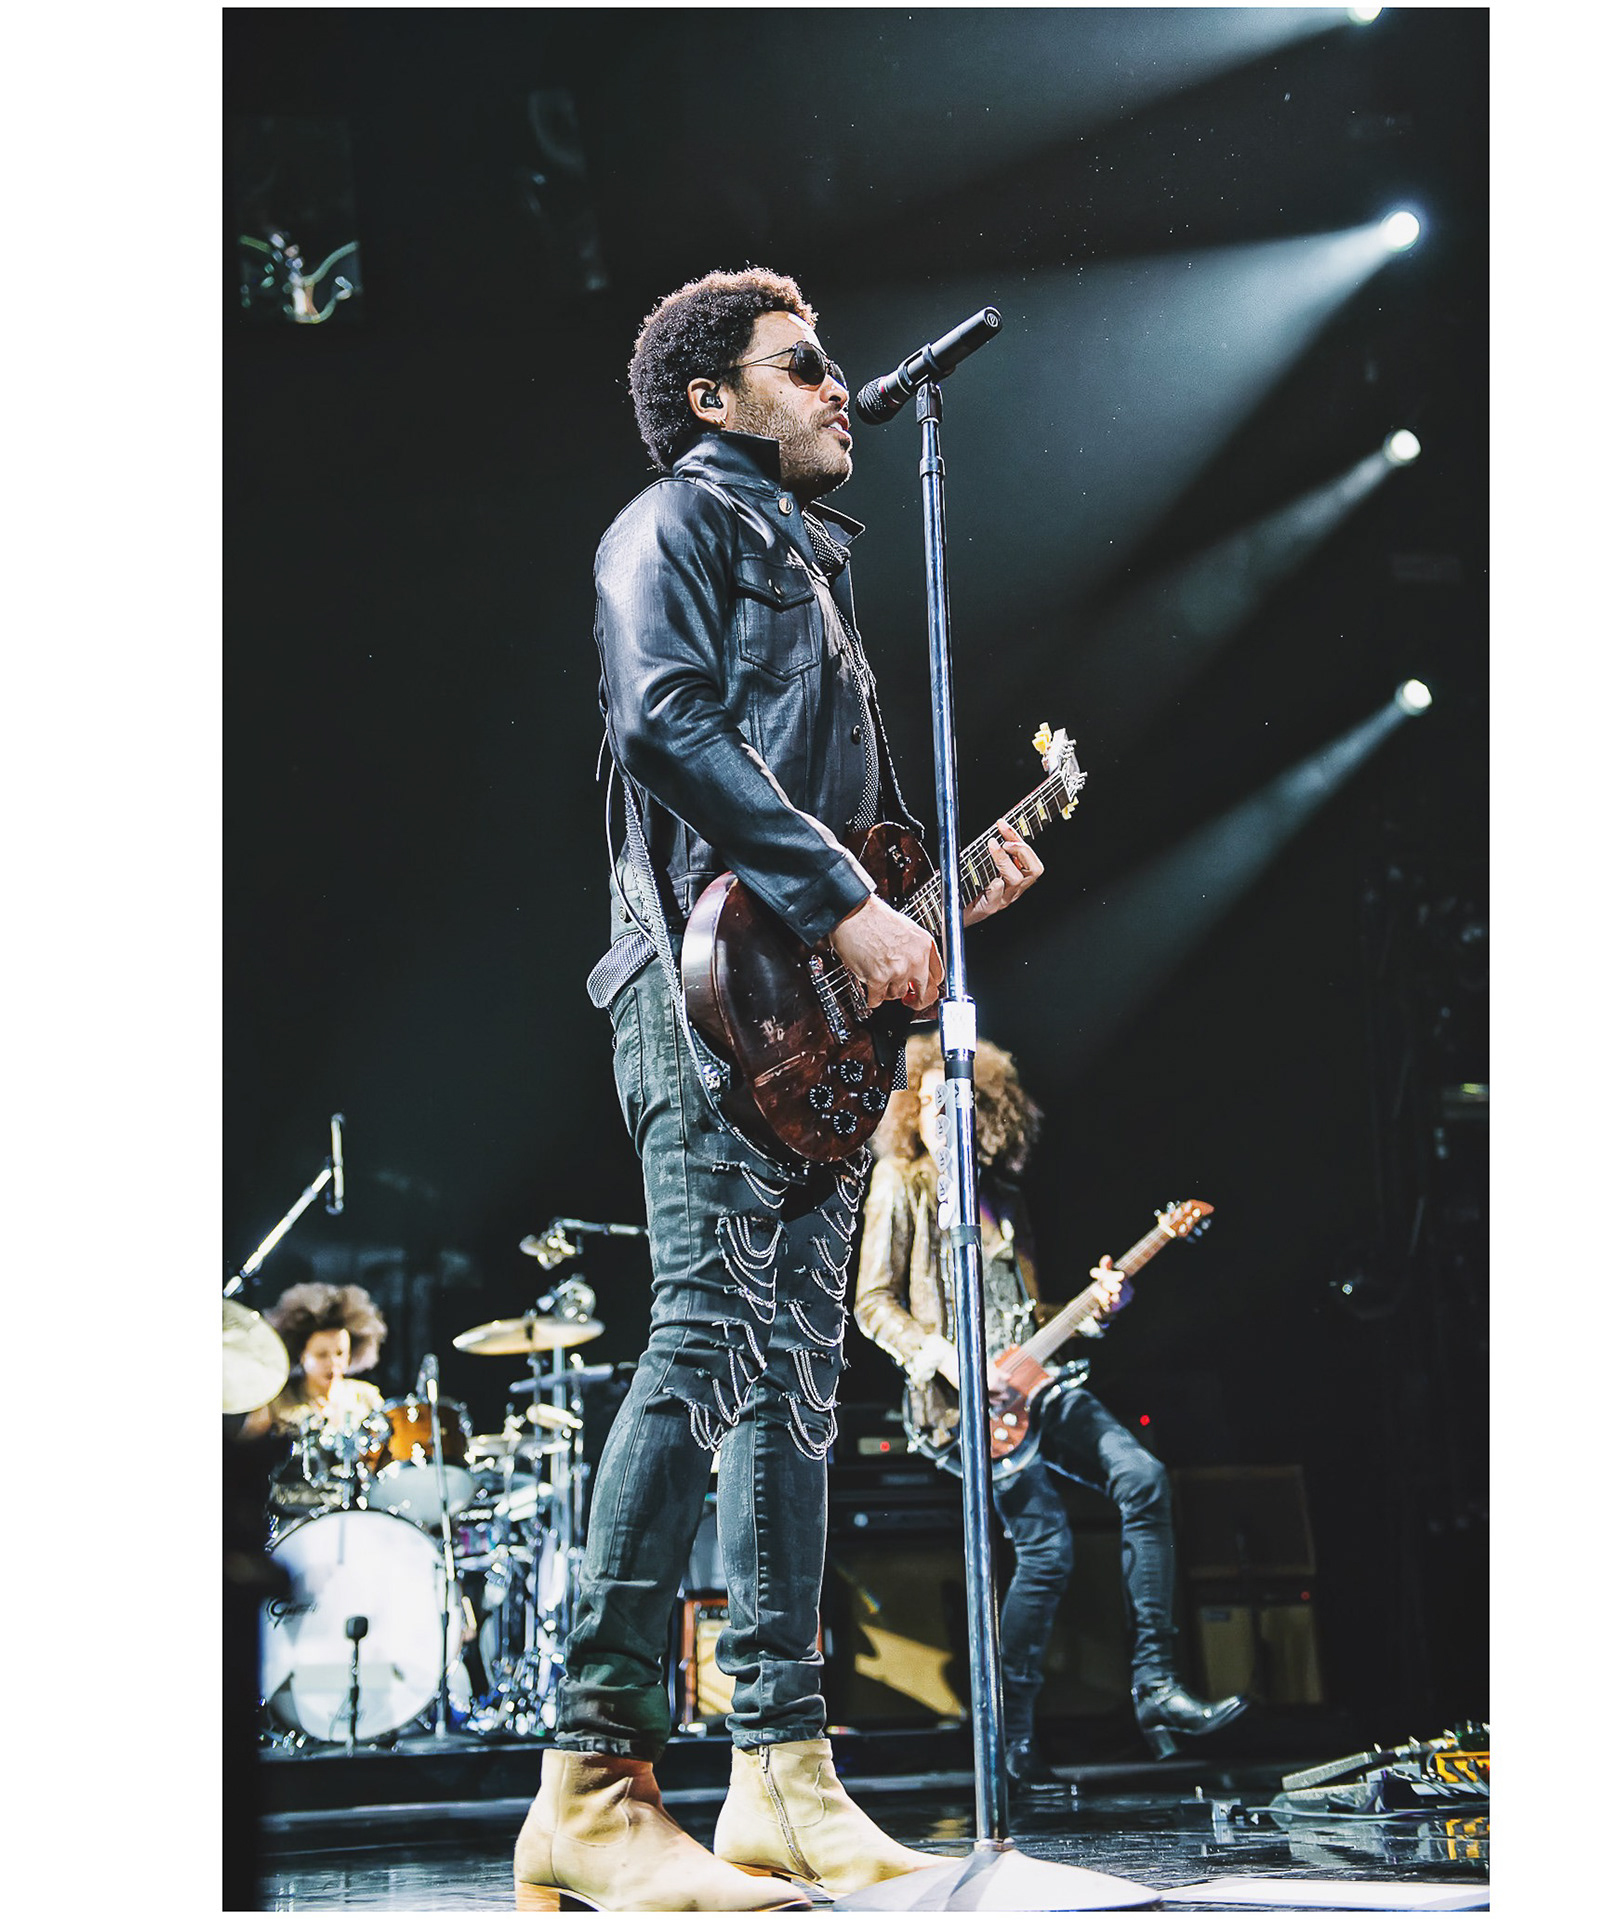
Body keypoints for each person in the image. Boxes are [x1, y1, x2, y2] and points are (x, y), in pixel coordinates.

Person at [513, 268, 1045, 1913]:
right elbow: (667, 725)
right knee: (703, 1339)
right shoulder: (670, 527)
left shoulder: (809, 565)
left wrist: (931, 892)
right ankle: (590, 1781)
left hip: (800, 1031)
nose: (835, 388)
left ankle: (783, 1776)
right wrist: (843, 899)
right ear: (711, 399)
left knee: (798, 1386)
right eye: (798, 366)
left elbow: (834, 831)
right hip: (702, 1003)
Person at [853, 1032, 1246, 1800]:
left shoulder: (1007, 1202)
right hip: (957, 1404)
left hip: (1036, 1381)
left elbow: (1032, 1318)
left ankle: (1156, 1684)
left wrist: (1097, 1309)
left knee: (1143, 1478)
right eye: (925, 1103)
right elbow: (873, 1303)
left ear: (983, 1112)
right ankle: (1011, 1740)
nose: (937, 1114)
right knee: (1048, 1548)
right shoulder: (901, 1183)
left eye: (952, 1101)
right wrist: (947, 1359)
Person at [237, 1279, 388, 1441]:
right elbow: (245, 1450)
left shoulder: (367, 1398)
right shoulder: (277, 1405)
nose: (333, 1363)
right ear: (302, 1355)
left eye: (340, 1353)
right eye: (322, 1354)